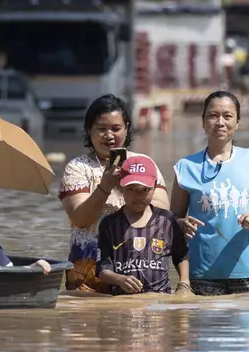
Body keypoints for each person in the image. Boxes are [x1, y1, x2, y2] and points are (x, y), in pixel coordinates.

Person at [57, 94, 169, 293]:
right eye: (101, 129)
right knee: (86, 322)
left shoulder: (143, 164)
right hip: (88, 268)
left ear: (126, 128)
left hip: (137, 265)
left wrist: (131, 189)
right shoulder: (77, 168)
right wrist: (105, 186)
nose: (109, 135)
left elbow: (162, 213)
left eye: (115, 129)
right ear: (89, 130)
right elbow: (81, 219)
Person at [170, 91, 249, 296]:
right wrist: (180, 223)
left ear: (237, 122)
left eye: (227, 116)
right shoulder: (185, 167)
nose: (220, 122)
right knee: (205, 326)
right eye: (212, 115)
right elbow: (172, 217)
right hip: (202, 273)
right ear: (203, 121)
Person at [96, 156, 192, 295]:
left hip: (160, 300)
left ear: (154, 188)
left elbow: (181, 255)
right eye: (131, 189)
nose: (138, 195)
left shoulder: (166, 220)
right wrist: (119, 279)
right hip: (124, 301)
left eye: (145, 190)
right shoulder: (110, 224)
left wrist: (184, 283)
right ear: (120, 187)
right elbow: (102, 269)